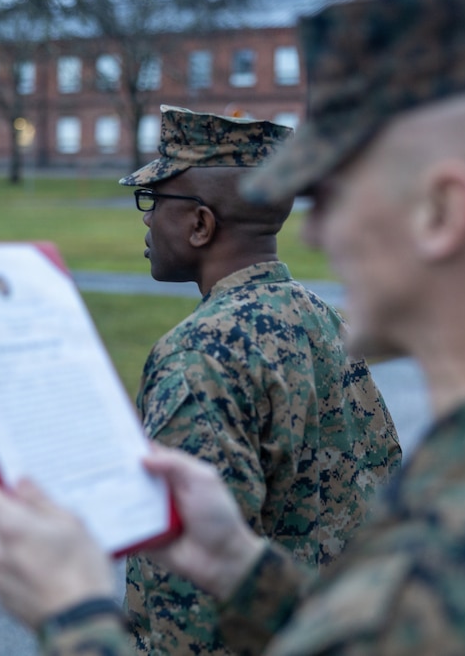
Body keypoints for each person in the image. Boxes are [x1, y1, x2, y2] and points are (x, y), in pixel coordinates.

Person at [0, 0, 465, 655]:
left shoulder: (459, 565)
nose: (314, 234)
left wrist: (74, 614)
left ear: (442, 211)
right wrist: (244, 571)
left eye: (332, 195)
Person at [116, 105, 401, 654]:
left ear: (200, 223)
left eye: (154, 201)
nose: (147, 219)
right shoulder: (326, 320)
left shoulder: (199, 353)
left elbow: (189, 584)